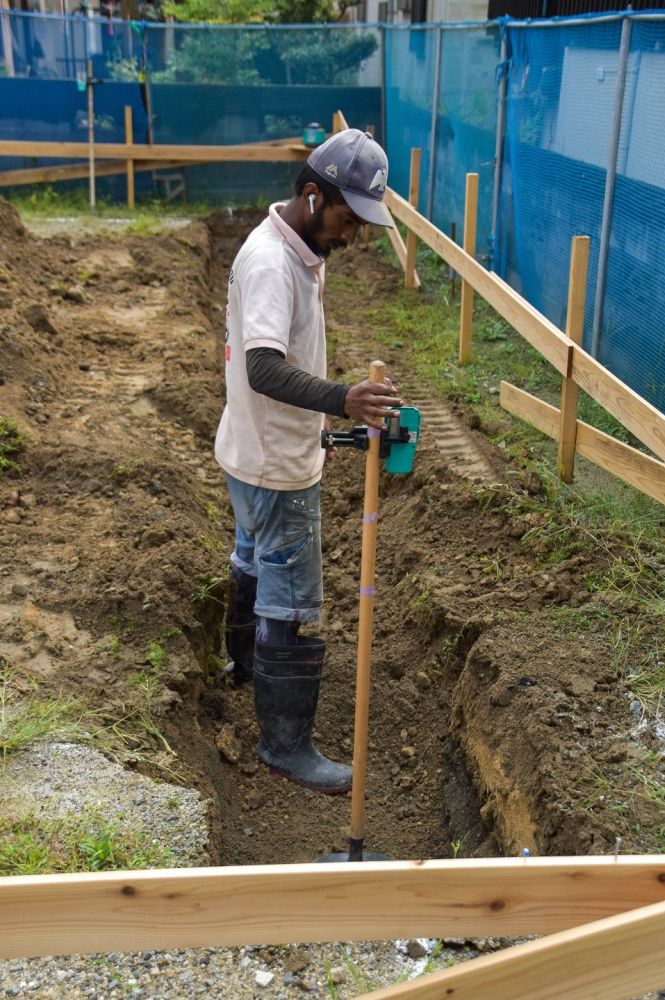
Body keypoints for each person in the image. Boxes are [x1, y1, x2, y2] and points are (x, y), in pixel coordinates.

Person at [214, 128, 403, 794]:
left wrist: (322, 425)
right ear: (312, 195)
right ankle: (285, 746)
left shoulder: (297, 250)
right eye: (347, 220)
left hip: (251, 447)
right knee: (291, 602)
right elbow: (265, 367)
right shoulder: (272, 262)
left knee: (252, 558)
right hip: (275, 466)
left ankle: (241, 667)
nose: (351, 236)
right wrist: (343, 400)